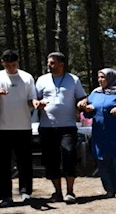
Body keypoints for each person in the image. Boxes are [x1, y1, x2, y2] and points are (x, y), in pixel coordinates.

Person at [35, 52, 88, 204]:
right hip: (47, 127)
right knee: (51, 159)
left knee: (69, 155)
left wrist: (82, 103)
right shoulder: (42, 80)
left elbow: (82, 97)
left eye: (52, 63)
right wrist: (37, 104)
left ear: (61, 64)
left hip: (68, 126)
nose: (49, 65)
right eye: (48, 62)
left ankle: (70, 192)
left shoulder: (73, 79)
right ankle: (57, 192)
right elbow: (34, 99)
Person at [0, 49, 38, 207]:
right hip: (2, 126)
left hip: (24, 125)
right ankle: (5, 196)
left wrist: (36, 103)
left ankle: (26, 192)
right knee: (2, 164)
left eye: (14, 64)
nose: (11, 67)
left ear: (18, 62)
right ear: (2, 63)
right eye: (8, 65)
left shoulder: (27, 77)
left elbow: (31, 99)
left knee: (25, 162)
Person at [77, 69, 116, 199]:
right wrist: (86, 109)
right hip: (100, 135)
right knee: (103, 162)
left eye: (103, 77)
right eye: (99, 77)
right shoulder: (95, 93)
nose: (100, 80)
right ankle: (109, 189)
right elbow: (89, 113)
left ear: (111, 78)